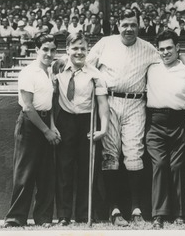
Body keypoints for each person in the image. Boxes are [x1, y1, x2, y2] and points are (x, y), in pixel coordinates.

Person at [85, 9, 160, 227]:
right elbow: (87, 64)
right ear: (118, 25)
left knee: (134, 153)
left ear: (139, 26)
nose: (129, 29)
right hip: (109, 102)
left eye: (133, 25)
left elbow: (166, 60)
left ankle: (136, 208)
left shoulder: (148, 48)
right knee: (110, 155)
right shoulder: (105, 43)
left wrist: (184, 57)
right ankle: (114, 208)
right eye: (125, 24)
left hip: (136, 102)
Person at [146, 30, 185, 229]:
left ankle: (180, 213)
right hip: (155, 123)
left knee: (177, 167)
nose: (165, 52)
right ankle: (158, 215)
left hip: (180, 123)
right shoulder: (152, 69)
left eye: (169, 48)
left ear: (177, 47)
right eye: (161, 49)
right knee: (160, 165)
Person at [4, 34, 60, 228]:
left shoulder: (50, 71)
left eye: (53, 50)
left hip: (45, 123)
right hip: (30, 124)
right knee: (25, 174)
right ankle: (15, 219)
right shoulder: (28, 72)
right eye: (45, 49)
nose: (49, 53)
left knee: (46, 175)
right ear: (36, 50)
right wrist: (46, 131)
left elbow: (49, 104)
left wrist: (51, 126)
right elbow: (28, 107)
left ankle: (43, 219)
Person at [52, 32, 109, 226]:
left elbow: (102, 103)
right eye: (75, 48)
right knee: (64, 169)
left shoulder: (95, 74)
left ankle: (84, 214)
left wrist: (104, 128)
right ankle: (64, 215)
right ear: (67, 49)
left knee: (87, 169)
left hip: (87, 121)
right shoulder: (57, 68)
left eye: (82, 48)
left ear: (88, 50)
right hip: (65, 121)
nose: (79, 52)